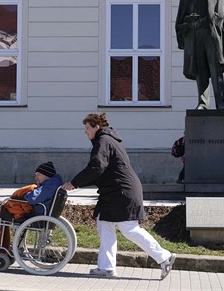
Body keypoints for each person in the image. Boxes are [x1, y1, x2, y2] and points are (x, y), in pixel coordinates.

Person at [62, 113, 176, 280]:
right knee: (104, 223)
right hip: (115, 192)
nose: (85, 132)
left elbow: (96, 167)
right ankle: (106, 267)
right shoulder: (108, 140)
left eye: (87, 128)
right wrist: (78, 182)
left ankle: (164, 257)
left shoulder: (103, 141)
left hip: (122, 192)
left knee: (129, 229)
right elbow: (100, 171)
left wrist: (74, 183)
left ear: (96, 127)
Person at [0, 161, 63, 263]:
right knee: (0, 211)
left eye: (38, 175)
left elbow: (33, 197)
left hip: (34, 216)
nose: (36, 178)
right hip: (39, 214)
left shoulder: (50, 186)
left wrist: (26, 194)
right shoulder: (54, 184)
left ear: (46, 175)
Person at [175, 0, 224, 110]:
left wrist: (199, 22)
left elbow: (220, 16)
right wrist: (189, 23)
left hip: (211, 36)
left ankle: (220, 103)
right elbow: (179, 24)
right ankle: (203, 102)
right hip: (195, 39)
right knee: (200, 70)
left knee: (215, 70)